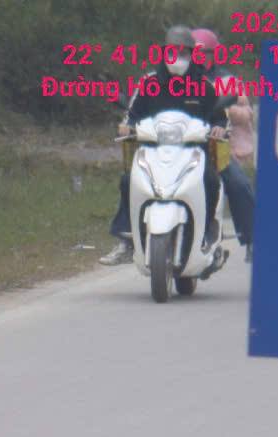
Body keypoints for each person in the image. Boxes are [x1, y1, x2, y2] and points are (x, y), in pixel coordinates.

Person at [99, 25, 224, 266]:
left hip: (192, 152)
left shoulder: (204, 85)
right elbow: (132, 114)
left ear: (191, 54)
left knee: (210, 180)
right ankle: (127, 239)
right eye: (172, 51)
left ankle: (207, 233)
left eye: (183, 52)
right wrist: (127, 125)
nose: (177, 57)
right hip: (154, 151)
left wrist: (219, 126)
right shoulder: (149, 82)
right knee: (128, 181)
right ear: (164, 53)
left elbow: (220, 115)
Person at [192, 27, 256, 262]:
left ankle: (251, 239)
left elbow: (246, 113)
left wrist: (226, 112)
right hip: (184, 145)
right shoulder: (178, 79)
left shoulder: (227, 80)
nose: (199, 58)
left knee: (239, 184)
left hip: (217, 145)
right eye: (194, 53)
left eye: (205, 53)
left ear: (213, 54)